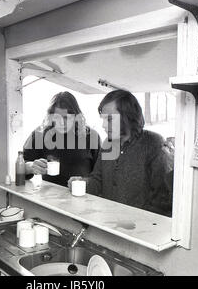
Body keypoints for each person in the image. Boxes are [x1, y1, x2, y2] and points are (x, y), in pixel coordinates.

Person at [69, 89, 174, 217]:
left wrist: (137, 221)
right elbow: (97, 181)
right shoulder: (108, 144)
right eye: (103, 119)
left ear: (128, 117)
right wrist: (83, 183)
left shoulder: (153, 143)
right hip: (109, 223)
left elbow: (164, 199)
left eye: (109, 119)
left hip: (138, 229)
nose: (103, 125)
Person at [23, 92, 101, 187]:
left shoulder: (91, 136)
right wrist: (30, 167)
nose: (62, 123)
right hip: (49, 196)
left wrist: (85, 181)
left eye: (66, 118)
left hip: (82, 195)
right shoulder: (40, 134)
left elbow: (101, 174)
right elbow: (19, 165)